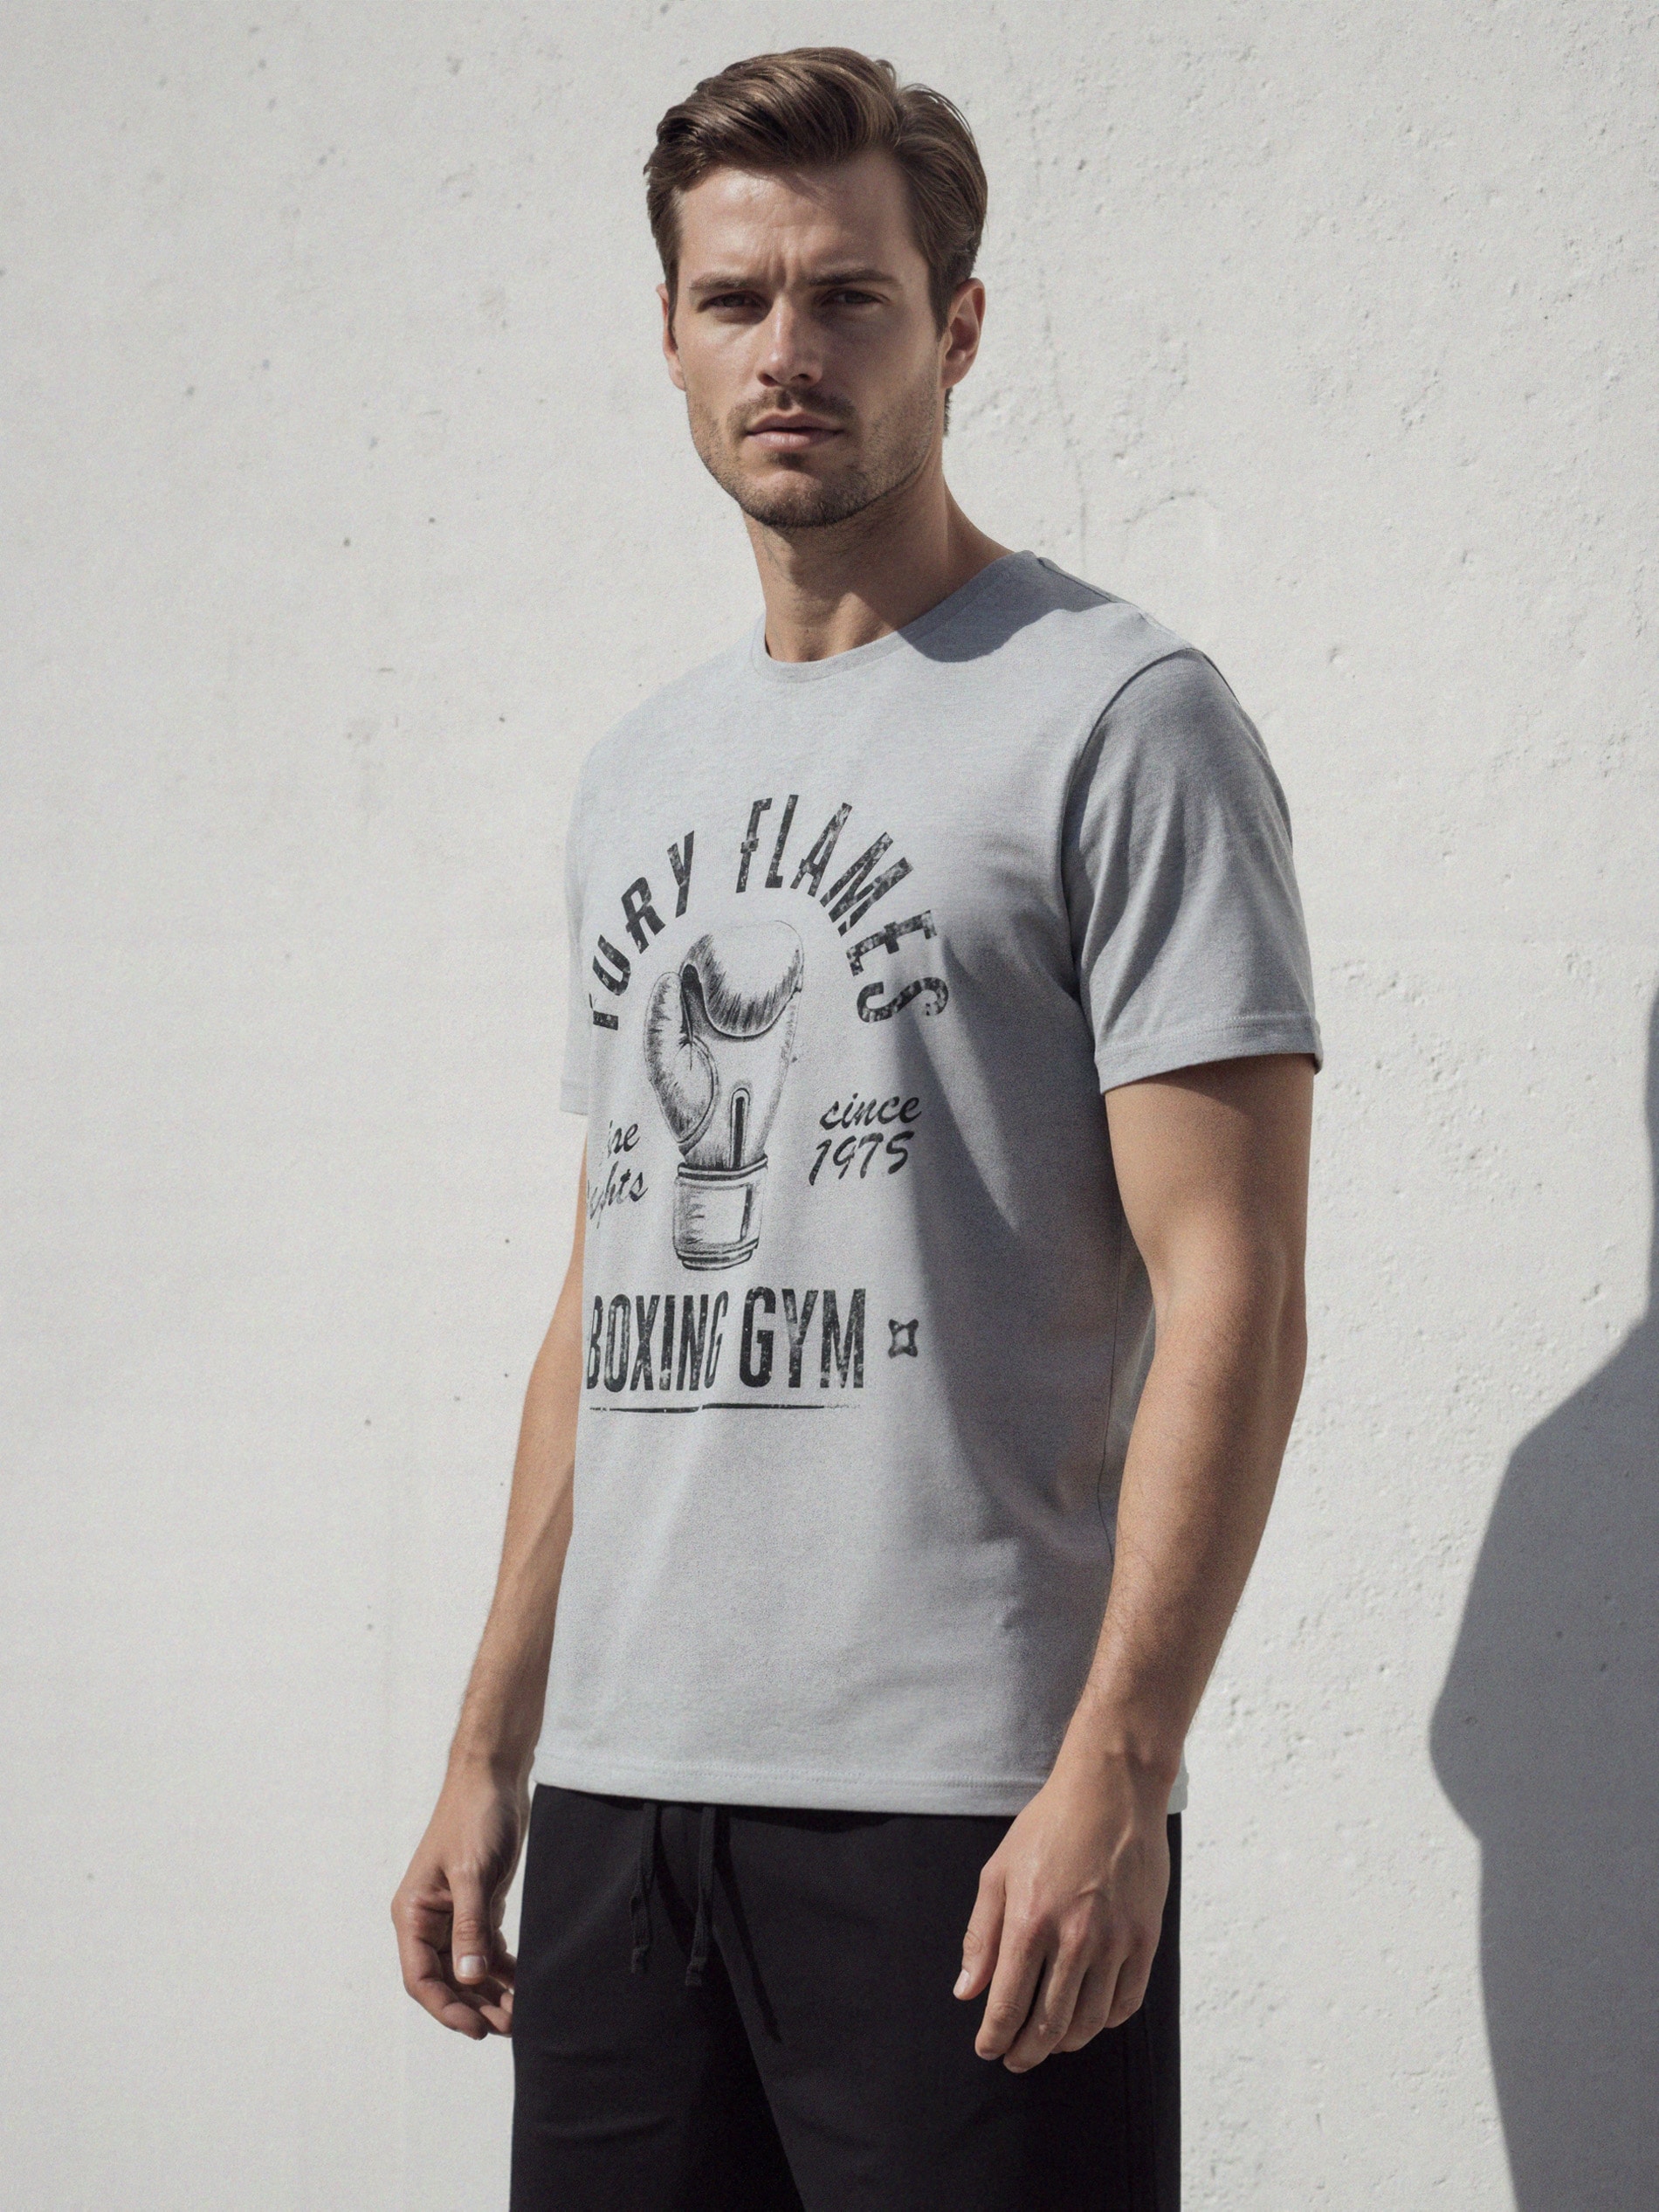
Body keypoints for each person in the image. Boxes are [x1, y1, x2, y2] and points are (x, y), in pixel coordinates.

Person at [392, 45, 1322, 2212]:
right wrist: (488, 1746)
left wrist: (1116, 1770)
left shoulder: (1117, 717)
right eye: (734, 299)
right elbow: (603, 1303)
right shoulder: (638, 770)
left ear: (955, 326)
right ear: (668, 334)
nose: (785, 350)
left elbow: (1234, 1290)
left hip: (962, 1812)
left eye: (848, 297)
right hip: (624, 1806)